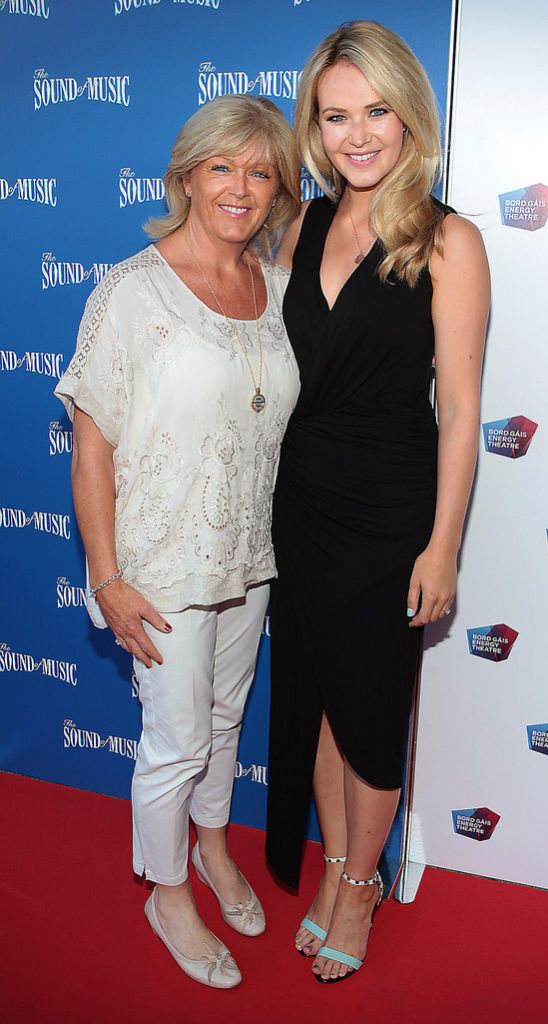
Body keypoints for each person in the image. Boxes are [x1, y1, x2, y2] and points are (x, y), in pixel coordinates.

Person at [55, 95, 300, 989]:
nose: (240, 186)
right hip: (161, 565)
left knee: (227, 721)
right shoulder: (132, 288)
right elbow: (93, 439)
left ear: (277, 191)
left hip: (249, 553)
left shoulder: (272, 289)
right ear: (187, 175)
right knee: (177, 738)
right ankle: (166, 893)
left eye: (260, 170)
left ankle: (209, 846)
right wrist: (107, 575)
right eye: (221, 167)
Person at [266, 21, 490, 983]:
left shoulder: (449, 239)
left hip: (390, 513)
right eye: (335, 115)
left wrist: (441, 547)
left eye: (377, 112)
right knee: (316, 701)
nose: (358, 135)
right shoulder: (302, 224)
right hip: (300, 501)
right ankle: (334, 869)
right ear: (316, 126)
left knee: (368, 708)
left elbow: (461, 413)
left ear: (410, 114)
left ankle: (361, 887)